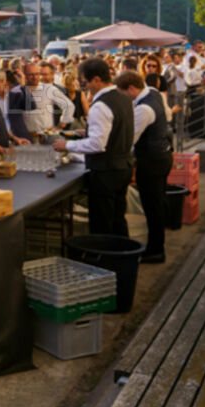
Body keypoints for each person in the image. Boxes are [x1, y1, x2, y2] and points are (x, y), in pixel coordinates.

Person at [54, 58, 134, 238]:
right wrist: (88, 132)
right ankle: (122, 252)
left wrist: (67, 145)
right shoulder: (123, 98)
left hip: (106, 172)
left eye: (85, 83)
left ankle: (104, 254)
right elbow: (116, 128)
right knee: (118, 218)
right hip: (123, 166)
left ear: (96, 80)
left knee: (102, 223)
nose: (84, 87)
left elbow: (98, 144)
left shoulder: (100, 105)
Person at [116, 71, 172, 263]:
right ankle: (157, 244)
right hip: (163, 155)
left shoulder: (144, 109)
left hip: (152, 161)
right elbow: (168, 115)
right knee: (157, 203)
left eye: (123, 93)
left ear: (131, 88)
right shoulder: (153, 92)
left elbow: (129, 139)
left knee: (152, 207)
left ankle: (156, 250)